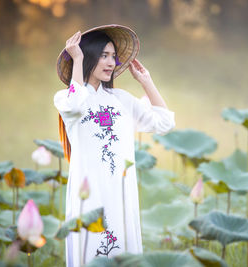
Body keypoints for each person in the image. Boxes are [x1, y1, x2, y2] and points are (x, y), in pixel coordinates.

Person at [53, 24, 175, 266]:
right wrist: (76, 58)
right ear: (87, 57)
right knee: (91, 250)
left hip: (120, 192)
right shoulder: (65, 99)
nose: (111, 62)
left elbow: (165, 123)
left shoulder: (121, 100)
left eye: (113, 57)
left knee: (121, 251)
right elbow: (77, 103)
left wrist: (146, 82)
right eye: (103, 55)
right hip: (89, 192)